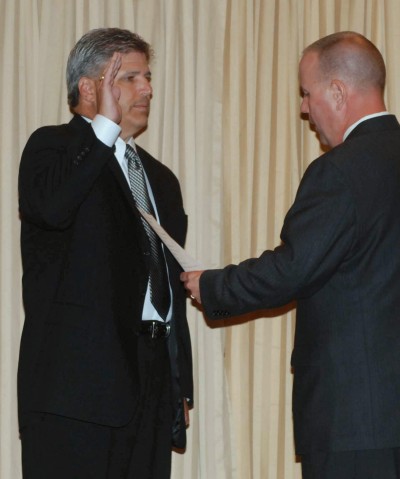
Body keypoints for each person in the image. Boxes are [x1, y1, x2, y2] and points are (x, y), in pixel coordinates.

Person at [181, 31, 400, 478]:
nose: (304, 108)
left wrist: (212, 284)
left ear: (338, 92)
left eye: (307, 93)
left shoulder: (339, 172)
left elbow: (292, 268)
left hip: (354, 420)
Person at [18, 27, 193, 479]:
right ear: (89, 88)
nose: (148, 89)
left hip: (151, 388)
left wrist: (179, 384)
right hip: (75, 392)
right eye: (131, 77)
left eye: (148, 77)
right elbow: (53, 208)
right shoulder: (52, 147)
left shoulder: (161, 179)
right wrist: (103, 131)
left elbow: (168, 287)